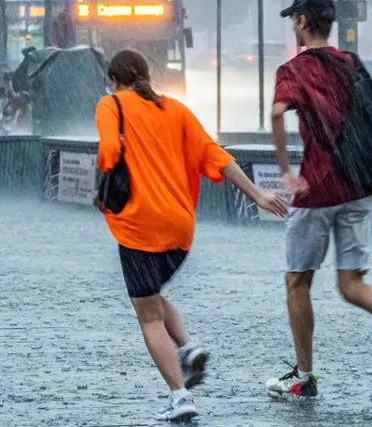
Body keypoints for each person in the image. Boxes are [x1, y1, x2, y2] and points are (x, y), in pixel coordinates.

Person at [95, 50, 288, 422]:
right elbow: (216, 156)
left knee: (147, 315)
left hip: (139, 224)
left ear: (115, 80)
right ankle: (187, 346)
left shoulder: (111, 105)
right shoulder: (177, 110)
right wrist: (258, 194)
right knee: (150, 296)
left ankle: (180, 394)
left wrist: (107, 171)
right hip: (180, 226)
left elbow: (108, 152)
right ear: (146, 76)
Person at [264, 0, 372, 399]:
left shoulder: (295, 70)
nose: (293, 27)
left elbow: (276, 113)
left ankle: (303, 376)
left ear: (302, 21)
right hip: (359, 184)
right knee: (351, 281)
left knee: (297, 282)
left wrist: (287, 171)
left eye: (293, 20)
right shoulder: (350, 64)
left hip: (319, 186)